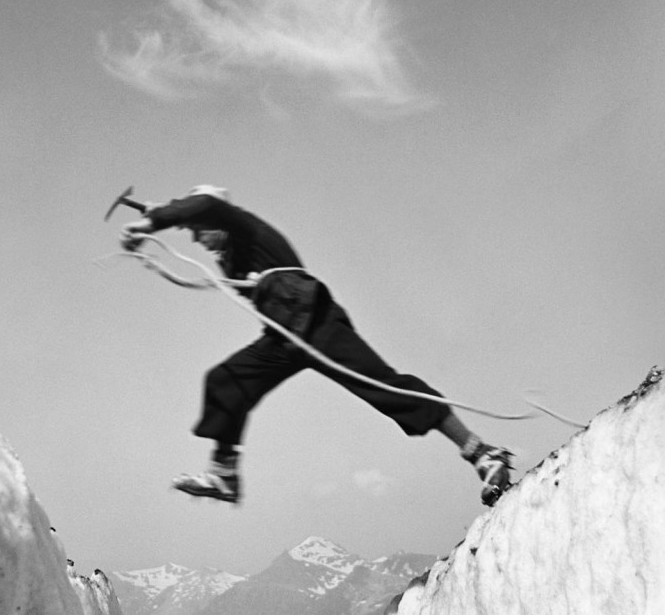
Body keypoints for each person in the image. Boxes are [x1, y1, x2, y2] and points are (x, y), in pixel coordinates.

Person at [120, 184, 512, 507]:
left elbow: (204, 205)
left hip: (314, 318)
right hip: (284, 335)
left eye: (199, 230)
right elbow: (198, 216)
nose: (197, 240)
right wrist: (168, 221)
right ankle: (224, 476)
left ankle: (482, 453)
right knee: (227, 380)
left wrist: (152, 221)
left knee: (386, 386)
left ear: (217, 218)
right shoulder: (234, 256)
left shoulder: (241, 224)